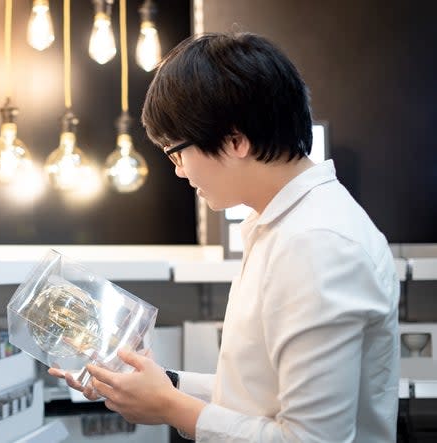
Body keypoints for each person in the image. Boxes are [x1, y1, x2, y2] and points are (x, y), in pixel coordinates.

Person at [49, 32, 400, 442]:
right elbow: (261, 397)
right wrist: (164, 384)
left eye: (176, 152)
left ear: (235, 140)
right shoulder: (287, 228)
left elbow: (311, 439)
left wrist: (170, 407)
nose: (179, 171)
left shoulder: (317, 244)